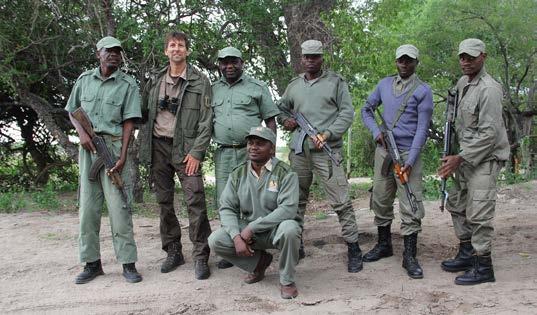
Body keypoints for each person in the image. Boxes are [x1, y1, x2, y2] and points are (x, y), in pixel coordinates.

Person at [278, 39, 363, 273]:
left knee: (341, 201)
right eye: (306, 57)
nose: (310, 61)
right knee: (295, 201)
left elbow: (347, 113)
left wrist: (328, 134)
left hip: (327, 150)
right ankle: (296, 243)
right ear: (301, 58)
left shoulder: (335, 82)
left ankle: (354, 248)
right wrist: (286, 121)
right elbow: (281, 109)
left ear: (322, 58)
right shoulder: (294, 85)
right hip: (299, 151)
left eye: (314, 57)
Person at [66, 36, 142, 284]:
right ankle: (92, 264)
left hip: (112, 147)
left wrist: (122, 156)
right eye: (109, 51)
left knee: (119, 208)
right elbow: (72, 111)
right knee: (88, 209)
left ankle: (128, 264)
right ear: (98, 53)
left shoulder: (128, 84)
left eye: (118, 52)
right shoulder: (84, 80)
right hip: (88, 150)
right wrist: (82, 134)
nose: (114, 55)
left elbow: (130, 122)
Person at [138, 31, 213, 280]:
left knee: (195, 200)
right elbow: (143, 112)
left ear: (187, 51)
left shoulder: (200, 82)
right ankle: (173, 251)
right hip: (159, 146)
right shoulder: (155, 79)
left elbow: (206, 121)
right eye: (172, 45)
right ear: (165, 51)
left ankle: (201, 255)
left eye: (181, 45)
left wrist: (197, 152)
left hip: (186, 150)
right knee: (164, 202)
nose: (176, 49)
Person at [438, 38, 509, 285]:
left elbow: (489, 134)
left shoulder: (489, 89)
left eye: (471, 57)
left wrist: (460, 157)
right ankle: (467, 253)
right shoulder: (462, 83)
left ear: (483, 57)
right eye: (462, 57)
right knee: (457, 204)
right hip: (464, 158)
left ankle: (483, 266)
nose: (465, 61)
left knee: (479, 212)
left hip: (484, 159)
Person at [361, 44, 433, 279]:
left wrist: (410, 161)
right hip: (384, 152)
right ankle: (384, 245)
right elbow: (367, 110)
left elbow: (422, 130)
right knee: (380, 198)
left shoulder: (423, 91)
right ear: (396, 62)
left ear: (416, 63)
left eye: (409, 61)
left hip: (407, 152)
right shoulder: (383, 84)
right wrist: (375, 132)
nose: (404, 64)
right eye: (401, 60)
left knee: (411, 204)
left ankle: (410, 256)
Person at [208, 126, 301, 299]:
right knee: (216, 240)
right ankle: (258, 264)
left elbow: (288, 209)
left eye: (260, 144)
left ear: (272, 148)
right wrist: (236, 237)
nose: (253, 147)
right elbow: (227, 208)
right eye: (250, 143)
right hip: (249, 233)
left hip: (276, 229)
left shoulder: (286, 173)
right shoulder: (238, 173)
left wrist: (252, 227)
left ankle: (287, 280)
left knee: (290, 229)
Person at [211, 46, 279, 269]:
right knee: (226, 200)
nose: (229, 66)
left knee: (253, 198)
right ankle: (233, 245)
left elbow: (270, 120)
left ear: (242, 63)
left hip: (250, 152)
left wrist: (271, 149)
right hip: (223, 153)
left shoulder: (257, 87)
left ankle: (259, 241)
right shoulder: (213, 90)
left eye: (234, 62)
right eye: (224, 62)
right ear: (219, 64)